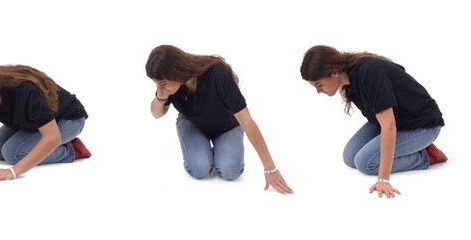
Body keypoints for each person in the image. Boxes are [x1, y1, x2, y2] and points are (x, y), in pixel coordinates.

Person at [300, 45, 447, 199]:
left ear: (334, 72)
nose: (318, 91)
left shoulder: (370, 73)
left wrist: (383, 179)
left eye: (319, 85)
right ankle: (409, 148)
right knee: (350, 157)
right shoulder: (348, 79)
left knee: (365, 163)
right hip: (394, 121)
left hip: (422, 126)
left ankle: (426, 156)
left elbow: (389, 126)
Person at [147, 45, 293, 194]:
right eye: (156, 83)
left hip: (227, 126)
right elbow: (156, 114)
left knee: (231, 171)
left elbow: (247, 121)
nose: (160, 87)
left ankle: (216, 149)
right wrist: (160, 98)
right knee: (199, 170)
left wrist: (270, 168)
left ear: (176, 72)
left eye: (162, 83)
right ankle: (206, 151)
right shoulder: (168, 88)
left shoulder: (217, 73)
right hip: (193, 124)